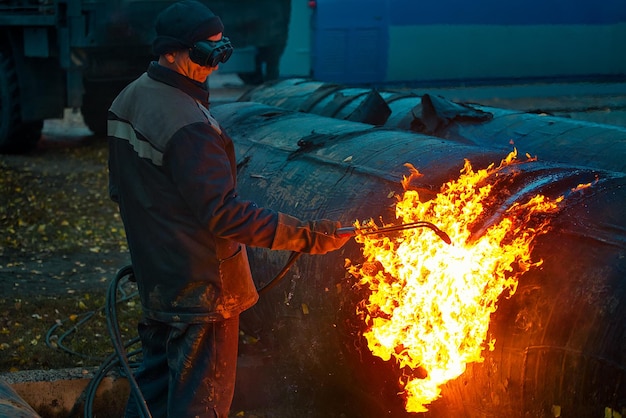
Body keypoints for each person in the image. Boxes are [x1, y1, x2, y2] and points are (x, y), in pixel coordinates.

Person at [106, 1, 350, 417]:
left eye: (223, 51)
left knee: (153, 394)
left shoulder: (128, 99)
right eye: (205, 54)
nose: (215, 65)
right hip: (202, 289)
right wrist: (307, 236)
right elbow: (225, 214)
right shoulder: (188, 125)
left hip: (158, 276)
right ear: (169, 52)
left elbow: (121, 191)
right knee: (202, 403)